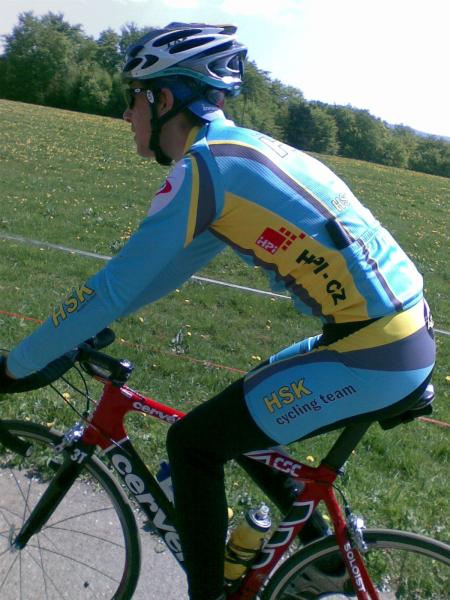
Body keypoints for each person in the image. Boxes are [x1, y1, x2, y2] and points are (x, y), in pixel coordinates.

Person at [0, 23, 435, 600]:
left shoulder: (205, 167)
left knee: (194, 445)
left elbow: (112, 287)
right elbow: (165, 271)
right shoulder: (235, 155)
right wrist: (87, 329)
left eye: (133, 96)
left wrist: (15, 367)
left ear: (164, 98)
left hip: (373, 349)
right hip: (390, 334)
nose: (126, 114)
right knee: (240, 419)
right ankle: (322, 564)